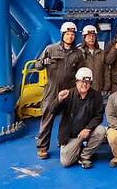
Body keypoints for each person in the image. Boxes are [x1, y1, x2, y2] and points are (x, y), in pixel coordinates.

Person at [35, 22, 84, 160]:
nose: (70, 37)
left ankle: (63, 142)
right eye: (67, 34)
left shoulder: (78, 54)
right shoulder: (51, 49)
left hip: (69, 90)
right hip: (52, 91)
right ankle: (42, 147)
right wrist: (43, 63)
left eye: (72, 34)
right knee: (47, 118)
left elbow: (80, 72)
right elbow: (37, 65)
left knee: (68, 118)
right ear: (62, 35)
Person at [54, 67, 106, 169]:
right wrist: (59, 99)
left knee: (101, 131)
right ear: (76, 82)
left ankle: (84, 156)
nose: (85, 84)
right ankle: (77, 148)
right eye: (82, 81)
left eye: (87, 82)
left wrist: (88, 128)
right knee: (66, 162)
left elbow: (98, 116)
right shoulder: (68, 94)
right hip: (71, 136)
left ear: (90, 83)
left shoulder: (96, 96)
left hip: (86, 132)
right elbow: (53, 111)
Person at [79, 25, 109, 94]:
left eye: (93, 36)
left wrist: (106, 86)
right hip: (83, 89)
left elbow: (106, 71)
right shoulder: (79, 52)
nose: (91, 38)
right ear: (84, 38)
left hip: (98, 89)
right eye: (89, 36)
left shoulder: (101, 53)